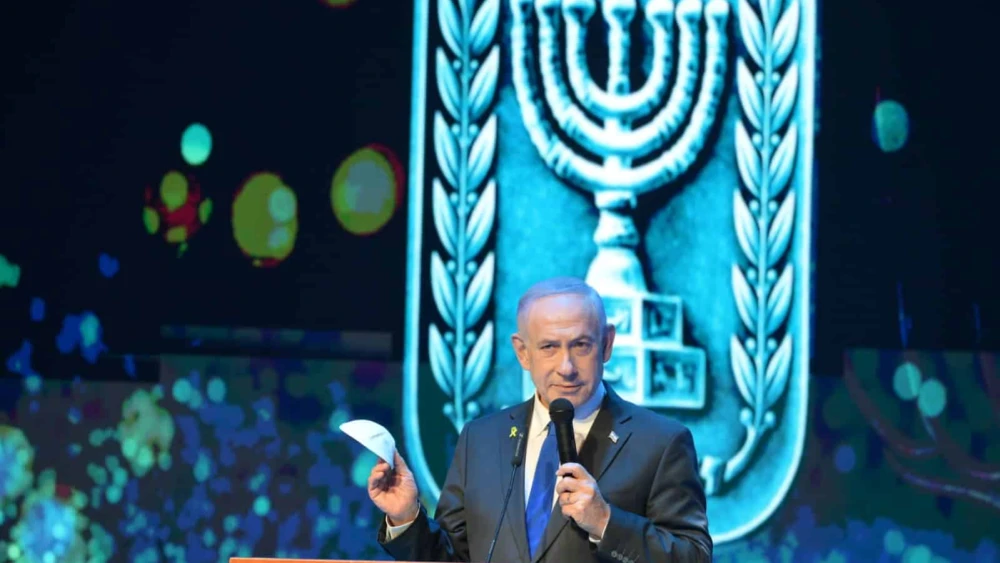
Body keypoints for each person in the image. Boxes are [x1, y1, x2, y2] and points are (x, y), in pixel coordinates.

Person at [367, 277, 711, 562]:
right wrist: (406, 517)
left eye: (581, 346)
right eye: (549, 347)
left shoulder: (661, 442)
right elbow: (453, 557)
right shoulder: (482, 439)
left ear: (606, 344)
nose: (566, 367)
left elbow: (694, 556)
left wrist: (605, 522)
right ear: (523, 352)